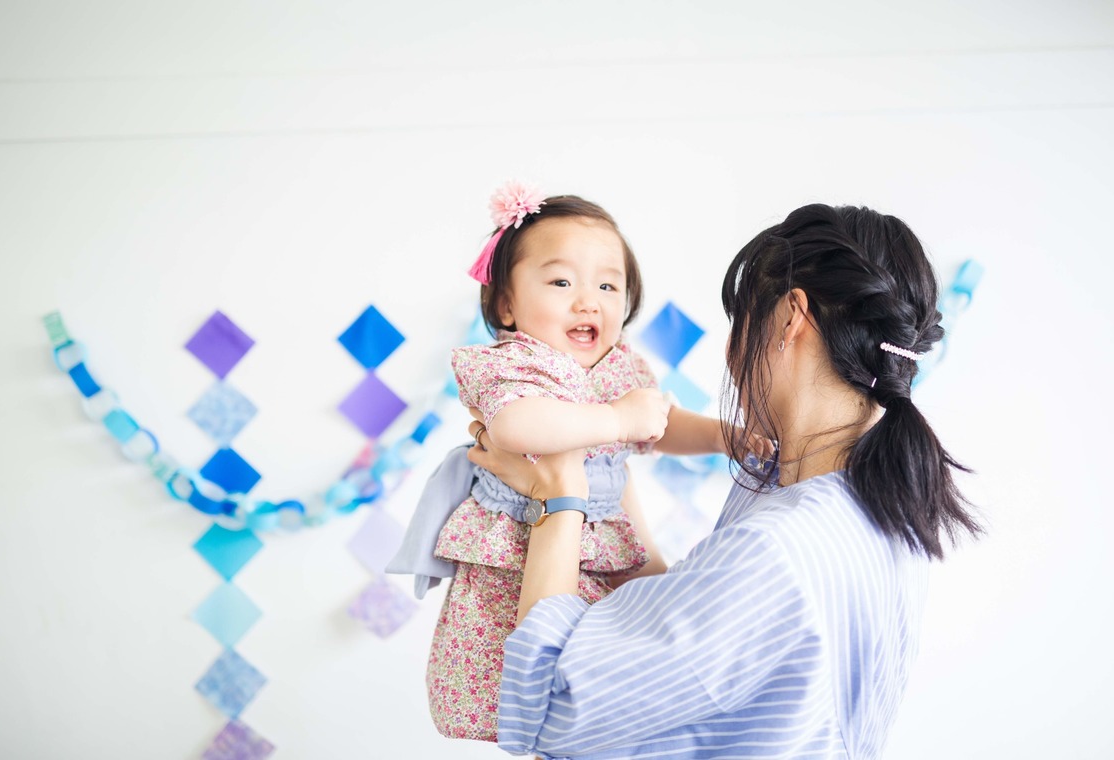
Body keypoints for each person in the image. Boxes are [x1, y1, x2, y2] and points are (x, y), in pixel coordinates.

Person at [468, 203, 983, 759]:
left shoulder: (777, 549)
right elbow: (678, 636)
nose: (730, 353)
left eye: (740, 323)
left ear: (790, 319)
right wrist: (604, 477)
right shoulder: (874, 500)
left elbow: (546, 709)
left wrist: (562, 494)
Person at [390, 182, 754, 743]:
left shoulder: (619, 366)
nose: (589, 300)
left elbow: (660, 423)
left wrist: (728, 437)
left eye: (608, 285)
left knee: (633, 667)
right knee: (535, 686)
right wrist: (616, 421)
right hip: (521, 558)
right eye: (561, 282)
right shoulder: (513, 364)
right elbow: (516, 425)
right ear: (506, 304)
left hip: (608, 547)